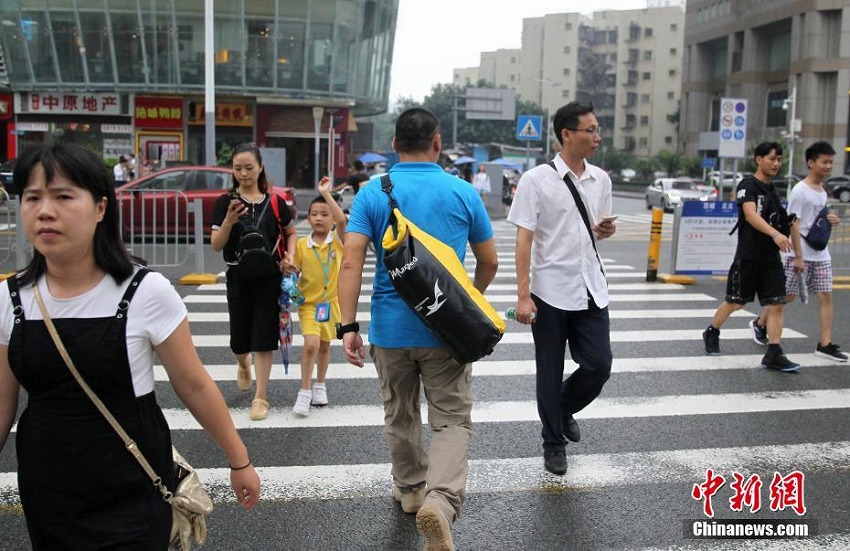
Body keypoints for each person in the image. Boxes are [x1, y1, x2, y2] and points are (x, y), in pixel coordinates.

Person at [0, 143, 260, 549]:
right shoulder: (11, 298)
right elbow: (1, 403)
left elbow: (193, 384)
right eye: (32, 197)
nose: (45, 210)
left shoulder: (145, 291)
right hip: (48, 482)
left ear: (101, 208)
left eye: (63, 196)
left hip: (131, 479)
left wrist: (239, 460)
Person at [338, 107, 498, 551]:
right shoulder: (463, 192)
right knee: (450, 421)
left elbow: (350, 260)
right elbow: (489, 261)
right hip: (447, 331)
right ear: (438, 143)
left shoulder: (372, 192)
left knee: (400, 412)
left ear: (394, 145)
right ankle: (441, 501)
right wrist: (466, 302)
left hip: (390, 330)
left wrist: (347, 325)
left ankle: (411, 491)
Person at [507, 101, 616, 477]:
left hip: (590, 286)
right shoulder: (537, 180)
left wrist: (605, 231)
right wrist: (523, 295)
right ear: (567, 134)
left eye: (598, 129)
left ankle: (563, 408)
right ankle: (553, 442)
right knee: (549, 371)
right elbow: (524, 240)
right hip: (549, 290)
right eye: (591, 130)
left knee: (599, 365)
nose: (597, 137)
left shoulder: (601, 179)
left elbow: (594, 232)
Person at [211, 142, 298, 420]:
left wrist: (290, 256)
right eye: (238, 169)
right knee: (240, 341)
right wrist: (227, 221)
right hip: (238, 275)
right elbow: (216, 244)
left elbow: (291, 232)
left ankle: (261, 397)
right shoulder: (226, 202)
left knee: (263, 338)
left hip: (269, 277)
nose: (244, 174)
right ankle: (242, 363)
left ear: (260, 167)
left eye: (249, 168)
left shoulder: (275, 202)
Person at [702, 141, 803, 371]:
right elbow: (750, 215)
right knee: (736, 302)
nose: (776, 163)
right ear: (758, 159)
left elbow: (788, 221)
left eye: (779, 159)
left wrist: (798, 255)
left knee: (777, 304)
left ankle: (774, 353)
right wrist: (775, 234)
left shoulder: (773, 190)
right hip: (749, 256)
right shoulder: (748, 185)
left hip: (771, 258)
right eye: (771, 158)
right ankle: (712, 331)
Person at [750, 141, 846, 362]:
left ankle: (825, 344)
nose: (829, 166)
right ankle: (759, 323)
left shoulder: (822, 191)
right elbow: (793, 223)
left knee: (825, 296)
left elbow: (814, 221)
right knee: (786, 297)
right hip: (797, 254)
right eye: (825, 162)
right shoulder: (800, 191)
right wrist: (799, 257)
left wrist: (831, 219)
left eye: (831, 162)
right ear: (811, 163)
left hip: (821, 254)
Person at [291, 176, 347, 415]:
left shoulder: (337, 242)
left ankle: (320, 385)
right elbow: (295, 270)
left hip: (330, 305)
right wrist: (288, 269)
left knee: (324, 347)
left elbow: (343, 220)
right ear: (308, 217)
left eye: (325, 214)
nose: (319, 218)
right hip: (308, 305)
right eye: (314, 214)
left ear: (331, 219)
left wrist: (325, 193)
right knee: (311, 345)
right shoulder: (303, 245)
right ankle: (304, 391)